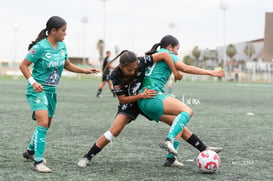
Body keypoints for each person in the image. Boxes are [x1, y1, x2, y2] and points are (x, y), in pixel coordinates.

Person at [77, 50, 221, 168]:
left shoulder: (141, 61)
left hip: (146, 99)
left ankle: (203, 149)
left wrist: (175, 72)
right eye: (130, 69)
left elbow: (165, 55)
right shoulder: (116, 75)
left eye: (135, 68)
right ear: (121, 67)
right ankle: (87, 157)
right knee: (115, 130)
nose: (134, 71)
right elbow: (122, 99)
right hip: (130, 102)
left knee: (177, 122)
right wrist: (140, 95)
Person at [19, 16, 100, 173]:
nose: (65, 33)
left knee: (46, 124)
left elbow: (67, 64)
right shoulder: (40, 47)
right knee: (42, 123)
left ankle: (29, 151)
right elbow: (23, 65)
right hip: (37, 91)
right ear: (53, 31)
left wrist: (85, 70)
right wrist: (33, 82)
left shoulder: (62, 45)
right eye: (63, 30)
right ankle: (38, 162)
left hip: (51, 92)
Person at [137, 35, 225, 157]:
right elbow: (185, 68)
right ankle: (168, 140)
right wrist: (210, 72)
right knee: (187, 111)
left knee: (178, 123)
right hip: (152, 97)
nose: (177, 53)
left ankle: (181, 156)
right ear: (169, 47)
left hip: (142, 102)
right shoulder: (167, 54)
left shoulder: (154, 55)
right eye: (177, 49)